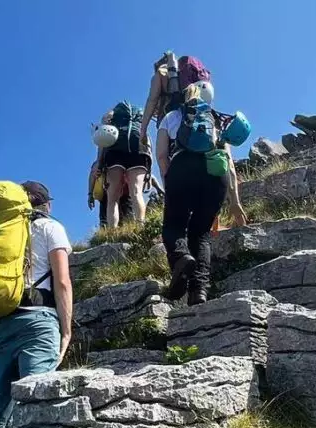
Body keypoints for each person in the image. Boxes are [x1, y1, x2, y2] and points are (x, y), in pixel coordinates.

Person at [0, 181, 73, 428]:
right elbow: (62, 281)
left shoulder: (2, 232)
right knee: (37, 399)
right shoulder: (50, 227)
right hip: (39, 321)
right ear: (46, 204)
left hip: (5, 321)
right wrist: (66, 330)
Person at [155, 84, 246, 306]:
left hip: (182, 167)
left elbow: (161, 156)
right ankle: (199, 292)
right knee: (201, 233)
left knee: (174, 225)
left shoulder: (171, 116)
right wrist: (235, 201)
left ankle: (180, 258)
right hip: (215, 173)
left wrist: (171, 183)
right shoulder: (216, 120)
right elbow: (229, 164)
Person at [91, 106, 151, 228]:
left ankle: (112, 231)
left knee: (112, 196)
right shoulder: (138, 124)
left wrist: (99, 162)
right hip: (138, 151)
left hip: (115, 154)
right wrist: (149, 167)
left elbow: (103, 144)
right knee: (136, 192)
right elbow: (147, 143)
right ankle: (141, 226)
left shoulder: (110, 120)